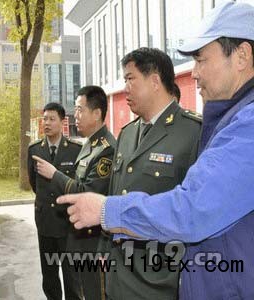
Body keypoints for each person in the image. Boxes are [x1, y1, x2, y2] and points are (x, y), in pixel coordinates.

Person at [57, 1, 254, 299]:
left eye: (201, 59)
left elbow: (192, 210)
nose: (195, 73)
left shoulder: (245, 126)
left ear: (241, 56)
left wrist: (106, 211)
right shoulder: (229, 120)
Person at [104, 47, 202, 300]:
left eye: (130, 78)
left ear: (155, 80)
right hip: (118, 277)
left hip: (158, 284)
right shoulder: (126, 134)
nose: (125, 87)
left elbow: (197, 213)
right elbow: (113, 196)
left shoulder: (193, 133)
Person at [33, 86, 116, 300]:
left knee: (91, 291)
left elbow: (87, 194)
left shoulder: (106, 149)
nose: (75, 116)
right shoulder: (91, 144)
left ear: (97, 113)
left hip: (93, 240)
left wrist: (55, 175)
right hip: (78, 235)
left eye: (80, 110)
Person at [28, 102, 82, 300]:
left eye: (52, 119)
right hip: (45, 222)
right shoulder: (34, 150)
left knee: (71, 276)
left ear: (62, 122)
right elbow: (34, 184)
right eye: (45, 119)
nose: (47, 123)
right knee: (49, 275)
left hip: (68, 224)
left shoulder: (75, 150)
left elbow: (76, 184)